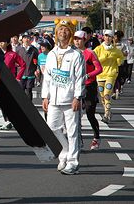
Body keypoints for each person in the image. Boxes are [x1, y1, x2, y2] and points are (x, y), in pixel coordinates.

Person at [41, 19, 85, 175]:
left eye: (66, 30)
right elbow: (47, 76)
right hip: (53, 99)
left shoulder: (76, 55)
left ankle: (73, 163)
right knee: (51, 128)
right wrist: (45, 96)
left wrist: (77, 97)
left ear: (71, 34)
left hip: (70, 99)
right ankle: (64, 150)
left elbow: (80, 78)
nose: (63, 32)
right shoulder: (51, 54)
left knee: (73, 132)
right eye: (60, 30)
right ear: (56, 32)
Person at [73, 31, 103, 150]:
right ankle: (78, 140)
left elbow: (99, 69)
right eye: (75, 38)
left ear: (85, 40)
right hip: (75, 88)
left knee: (90, 114)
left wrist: (88, 75)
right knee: (75, 115)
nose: (77, 41)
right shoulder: (71, 53)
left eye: (79, 39)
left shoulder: (90, 53)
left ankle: (96, 137)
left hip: (89, 86)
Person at [94, 30, 124, 124]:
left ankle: (107, 114)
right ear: (103, 37)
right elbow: (94, 60)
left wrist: (119, 61)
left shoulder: (116, 50)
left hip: (111, 74)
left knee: (107, 94)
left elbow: (121, 59)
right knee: (102, 96)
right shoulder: (98, 49)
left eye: (110, 36)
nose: (107, 38)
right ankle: (108, 112)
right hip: (100, 75)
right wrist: (104, 58)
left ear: (112, 38)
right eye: (106, 36)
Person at [0, 41, 25, 131]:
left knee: (10, 102)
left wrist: (18, 78)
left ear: (7, 43)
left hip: (10, 82)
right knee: (2, 103)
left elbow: (23, 64)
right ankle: (6, 121)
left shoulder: (12, 54)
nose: (1, 43)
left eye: (3, 41)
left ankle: (11, 120)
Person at [17, 33, 39, 100]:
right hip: (21, 73)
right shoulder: (18, 49)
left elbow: (36, 61)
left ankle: (29, 106)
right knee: (21, 90)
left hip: (30, 72)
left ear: (31, 39)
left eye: (28, 38)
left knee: (29, 90)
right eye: (25, 38)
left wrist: (36, 69)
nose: (26, 39)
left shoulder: (34, 50)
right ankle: (21, 106)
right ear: (22, 39)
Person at [112, 30, 128, 98]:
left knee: (120, 77)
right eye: (114, 37)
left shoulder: (122, 45)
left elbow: (126, 53)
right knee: (113, 77)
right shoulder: (111, 44)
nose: (114, 38)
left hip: (121, 63)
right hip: (112, 63)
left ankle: (118, 88)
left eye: (116, 37)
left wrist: (119, 52)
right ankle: (114, 92)